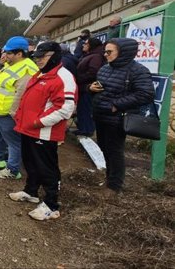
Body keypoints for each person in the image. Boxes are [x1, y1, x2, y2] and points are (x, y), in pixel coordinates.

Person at [8, 41, 76, 221]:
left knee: (47, 168)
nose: (37, 60)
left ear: (54, 55)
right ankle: (31, 191)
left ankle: (51, 205)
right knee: (30, 163)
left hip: (44, 132)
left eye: (42, 56)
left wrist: (38, 122)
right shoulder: (41, 74)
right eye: (36, 57)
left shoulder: (63, 77)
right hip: (28, 129)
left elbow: (65, 108)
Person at [90, 38, 154, 198]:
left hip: (117, 118)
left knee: (115, 151)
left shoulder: (138, 71)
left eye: (109, 52)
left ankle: (114, 186)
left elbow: (146, 94)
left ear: (123, 53)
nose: (105, 55)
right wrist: (91, 88)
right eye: (105, 51)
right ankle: (109, 178)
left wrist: (117, 105)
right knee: (104, 147)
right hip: (100, 115)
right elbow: (100, 86)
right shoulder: (105, 68)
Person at [0, 36, 39, 180]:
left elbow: (21, 95)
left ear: (19, 54)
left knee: (13, 142)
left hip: (6, 113)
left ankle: (13, 169)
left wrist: (14, 114)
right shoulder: (13, 64)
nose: (4, 55)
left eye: (8, 53)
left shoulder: (26, 69)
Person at [74, 37, 104, 137]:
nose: (83, 45)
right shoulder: (89, 55)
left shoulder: (96, 57)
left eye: (86, 43)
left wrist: (79, 78)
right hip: (84, 87)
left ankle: (87, 130)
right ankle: (83, 128)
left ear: (91, 45)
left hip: (89, 88)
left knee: (86, 109)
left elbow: (93, 73)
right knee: (82, 108)